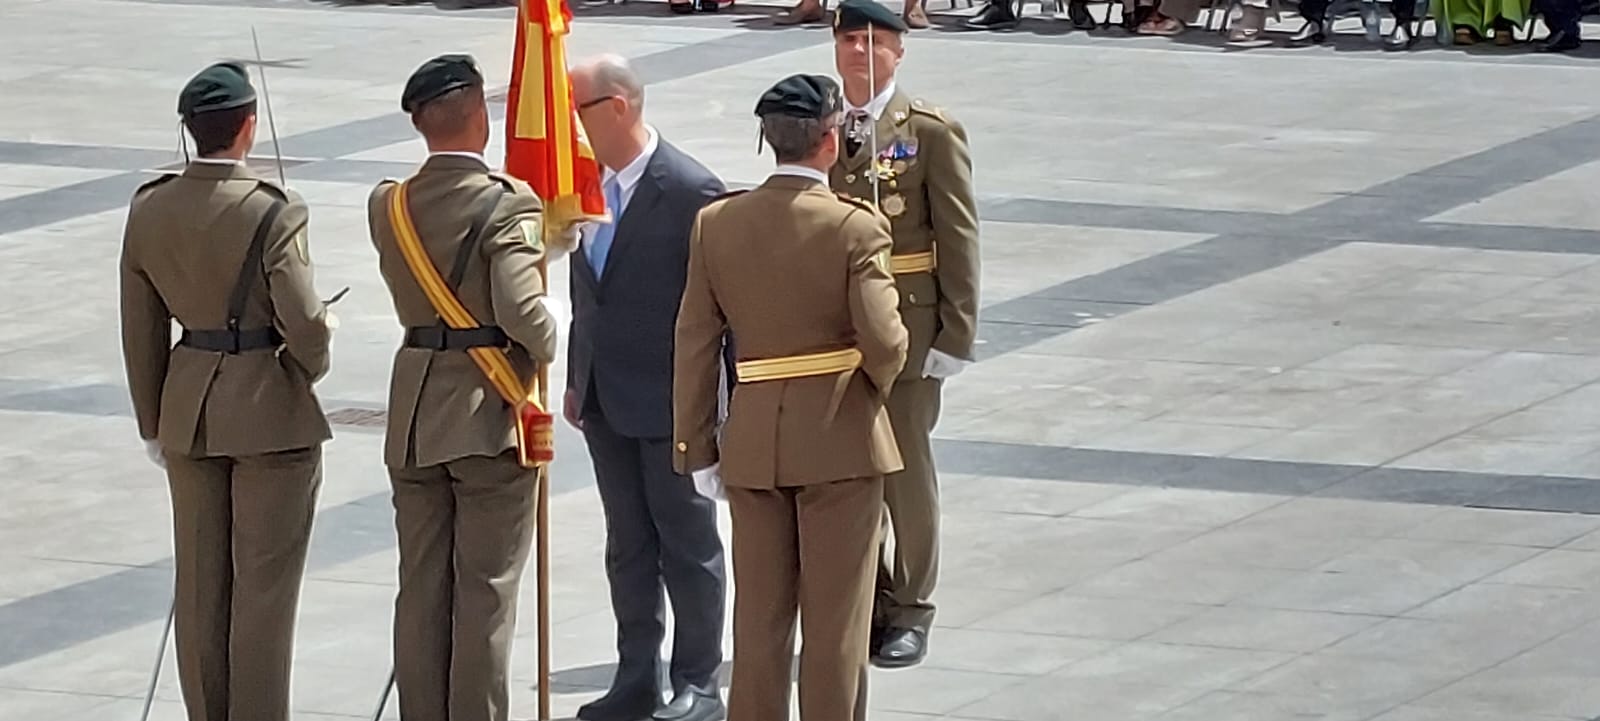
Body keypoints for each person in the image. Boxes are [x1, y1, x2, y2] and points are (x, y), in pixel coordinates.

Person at [673, 74, 908, 721]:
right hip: (840, 440)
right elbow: (886, 342)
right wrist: (871, 392)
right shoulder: (854, 228)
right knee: (836, 627)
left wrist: (696, 443)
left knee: (759, 624)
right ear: (830, 141)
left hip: (751, 442)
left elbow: (695, 340)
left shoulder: (716, 224)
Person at [119, 60, 334, 721]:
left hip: (188, 411)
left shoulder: (150, 207)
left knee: (201, 585)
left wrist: (154, 420)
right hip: (268, 412)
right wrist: (314, 356)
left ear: (190, 131)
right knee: (263, 592)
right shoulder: (273, 211)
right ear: (248, 126)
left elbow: (141, 327)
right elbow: (307, 328)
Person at [366, 53, 569, 721]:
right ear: (482, 116)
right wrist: (549, 334)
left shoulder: (387, 203)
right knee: (484, 592)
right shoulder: (508, 202)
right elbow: (519, 307)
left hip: (417, 413)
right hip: (487, 414)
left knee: (420, 590)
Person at [565, 54, 729, 721]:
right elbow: (588, 297)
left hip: (671, 404)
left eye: (575, 112)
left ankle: (698, 680)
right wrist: (579, 379)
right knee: (627, 545)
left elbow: (721, 308)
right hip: (604, 398)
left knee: (687, 545)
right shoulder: (583, 187)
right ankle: (636, 672)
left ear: (618, 108)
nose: (566, 128)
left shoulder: (690, 189)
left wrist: (715, 402)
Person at [828, 0, 980, 670]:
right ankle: (872, 599)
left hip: (911, 328)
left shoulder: (926, 130)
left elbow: (958, 235)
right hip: (837, 329)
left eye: (874, 42)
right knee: (850, 475)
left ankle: (913, 607)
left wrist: (956, 332)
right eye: (850, 41)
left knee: (906, 474)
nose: (860, 53)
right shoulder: (824, 125)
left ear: (898, 51)